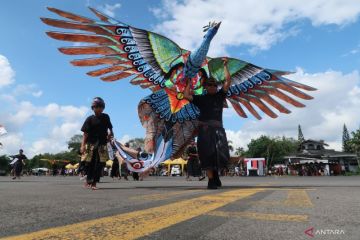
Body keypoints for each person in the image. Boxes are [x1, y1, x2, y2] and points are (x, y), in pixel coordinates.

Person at [184, 58, 232, 189]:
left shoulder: (220, 96)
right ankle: (211, 180)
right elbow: (186, 95)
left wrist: (225, 65)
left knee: (220, 154)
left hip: (218, 130)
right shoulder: (201, 98)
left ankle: (215, 176)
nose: (212, 87)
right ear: (205, 87)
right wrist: (188, 82)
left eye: (214, 85)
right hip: (204, 130)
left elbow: (228, 81)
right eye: (209, 85)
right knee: (206, 154)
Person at [80, 97, 114, 190]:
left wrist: (111, 135)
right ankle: (88, 181)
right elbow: (85, 134)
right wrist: (82, 145)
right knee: (88, 163)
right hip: (90, 144)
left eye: (99, 107)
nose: (97, 108)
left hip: (102, 144)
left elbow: (110, 128)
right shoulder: (89, 119)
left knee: (100, 163)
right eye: (95, 107)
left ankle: (94, 183)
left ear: (103, 108)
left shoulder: (106, 117)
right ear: (92, 108)